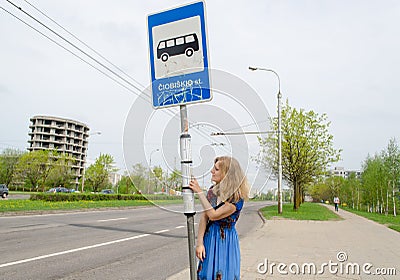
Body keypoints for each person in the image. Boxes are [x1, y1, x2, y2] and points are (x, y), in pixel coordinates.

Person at [189, 156, 249, 280]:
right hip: (210, 238)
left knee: (224, 274)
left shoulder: (236, 199)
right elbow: (205, 217)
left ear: (226, 174)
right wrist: (199, 243)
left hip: (225, 241)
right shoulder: (212, 191)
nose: (211, 171)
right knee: (205, 274)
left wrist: (199, 192)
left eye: (216, 169)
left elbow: (213, 215)